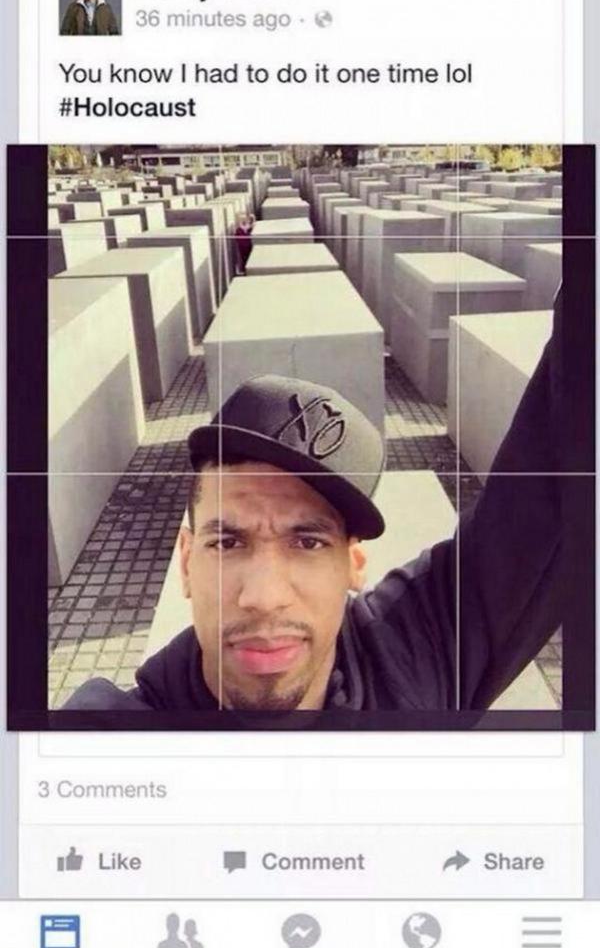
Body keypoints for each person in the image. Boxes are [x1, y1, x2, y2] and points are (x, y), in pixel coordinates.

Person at [63, 291, 570, 715]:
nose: (264, 597)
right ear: (187, 561)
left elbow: (561, 460)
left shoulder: (422, 652)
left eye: (307, 542)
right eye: (227, 542)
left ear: (354, 564)